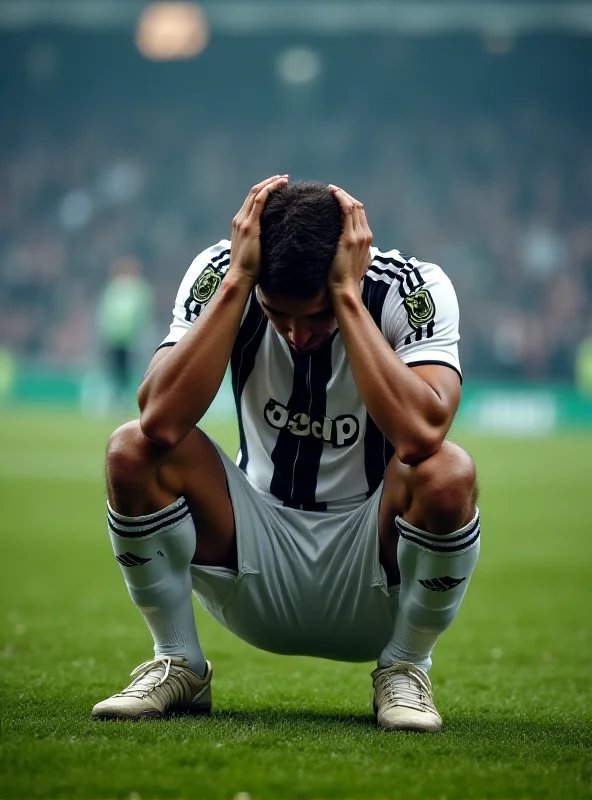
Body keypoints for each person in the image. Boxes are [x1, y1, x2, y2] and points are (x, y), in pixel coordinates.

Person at [92, 177, 480, 733]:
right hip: (251, 551)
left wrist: (347, 299)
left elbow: (422, 433)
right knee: (130, 448)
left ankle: (406, 666)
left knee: (448, 473)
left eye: (316, 316)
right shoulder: (224, 273)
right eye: (279, 315)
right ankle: (178, 660)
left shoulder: (410, 287)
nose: (297, 335)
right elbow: (159, 418)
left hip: (372, 563)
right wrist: (239, 282)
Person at [96, 255, 154, 409]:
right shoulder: (116, 288)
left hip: (129, 338)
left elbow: (142, 312)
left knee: (126, 371)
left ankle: (124, 400)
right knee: (117, 371)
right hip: (116, 337)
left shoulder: (136, 289)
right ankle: (119, 400)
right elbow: (105, 311)